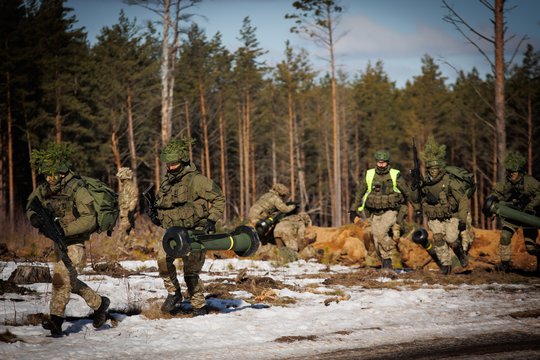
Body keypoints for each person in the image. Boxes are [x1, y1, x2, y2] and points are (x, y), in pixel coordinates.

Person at [25, 143, 110, 337]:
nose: (49, 178)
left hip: (74, 242)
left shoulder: (77, 189)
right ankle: (99, 304)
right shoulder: (44, 189)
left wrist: (65, 230)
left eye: (53, 174)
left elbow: (89, 219)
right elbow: (31, 205)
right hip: (58, 241)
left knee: (60, 278)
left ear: (62, 173)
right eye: (46, 174)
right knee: (69, 280)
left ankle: (56, 321)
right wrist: (34, 218)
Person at [153, 138, 225, 316]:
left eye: (174, 163)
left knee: (190, 273)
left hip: (195, 233)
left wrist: (211, 220)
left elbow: (218, 199)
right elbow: (166, 206)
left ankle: (199, 306)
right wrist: (157, 216)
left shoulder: (197, 181)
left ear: (183, 160)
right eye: (168, 163)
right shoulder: (167, 182)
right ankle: (173, 293)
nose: (170, 167)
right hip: (173, 233)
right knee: (162, 260)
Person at [350, 150, 416, 269]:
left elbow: (407, 193)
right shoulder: (369, 174)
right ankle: (385, 264)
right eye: (379, 162)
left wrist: (416, 207)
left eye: (383, 163)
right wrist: (353, 210)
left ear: (387, 163)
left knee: (380, 233)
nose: (381, 165)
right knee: (376, 239)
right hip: (374, 212)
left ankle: (387, 259)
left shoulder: (395, 174)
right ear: (376, 162)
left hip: (390, 211)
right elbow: (360, 192)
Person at [414, 137, 469, 274]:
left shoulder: (449, 181)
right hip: (434, 216)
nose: (433, 171)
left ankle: (460, 253)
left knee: (451, 239)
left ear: (440, 169)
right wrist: (414, 185)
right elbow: (417, 198)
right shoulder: (424, 183)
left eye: (436, 169)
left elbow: (462, 199)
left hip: (451, 216)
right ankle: (445, 265)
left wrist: (462, 220)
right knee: (438, 239)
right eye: (430, 169)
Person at [489, 151, 540, 272]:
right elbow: (495, 195)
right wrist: (492, 208)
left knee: (530, 247)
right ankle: (505, 264)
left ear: (520, 173)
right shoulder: (506, 183)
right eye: (509, 172)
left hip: (528, 216)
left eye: (514, 172)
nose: (511, 174)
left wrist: (532, 205)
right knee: (505, 237)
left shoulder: (530, 182)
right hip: (513, 214)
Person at [116, 167, 138, 254]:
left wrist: (131, 210)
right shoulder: (125, 186)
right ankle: (130, 248)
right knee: (130, 231)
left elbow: (134, 198)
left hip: (128, 213)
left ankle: (122, 248)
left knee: (122, 230)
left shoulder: (130, 186)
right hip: (124, 212)